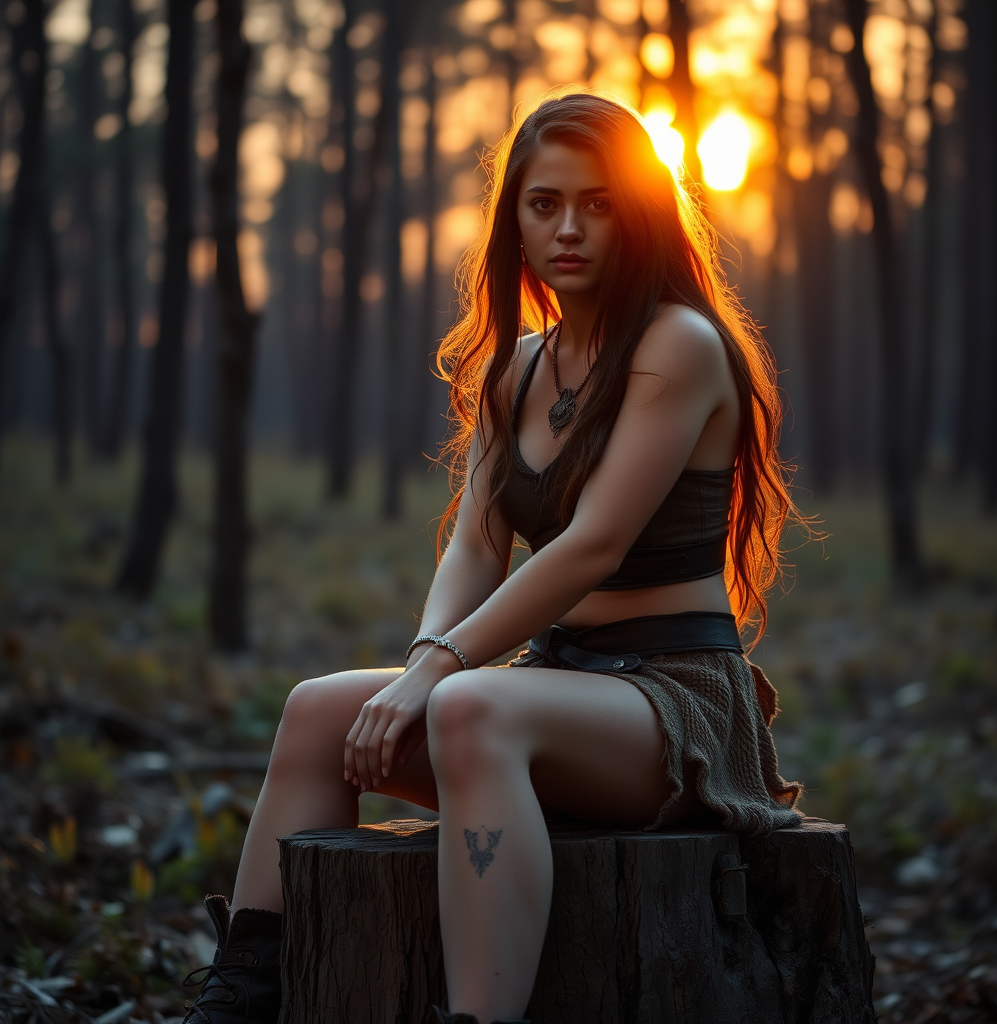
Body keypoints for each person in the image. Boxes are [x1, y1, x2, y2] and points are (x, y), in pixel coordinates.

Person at [182, 90, 804, 1024]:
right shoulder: (516, 367)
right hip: (558, 687)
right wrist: (419, 668)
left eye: (598, 203)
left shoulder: (678, 345)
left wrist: (438, 670)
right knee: (318, 712)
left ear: (639, 212)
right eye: (544, 202)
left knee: (470, 701)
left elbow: (593, 545)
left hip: (675, 708)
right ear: (513, 215)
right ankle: (242, 996)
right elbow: (478, 541)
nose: (569, 228)